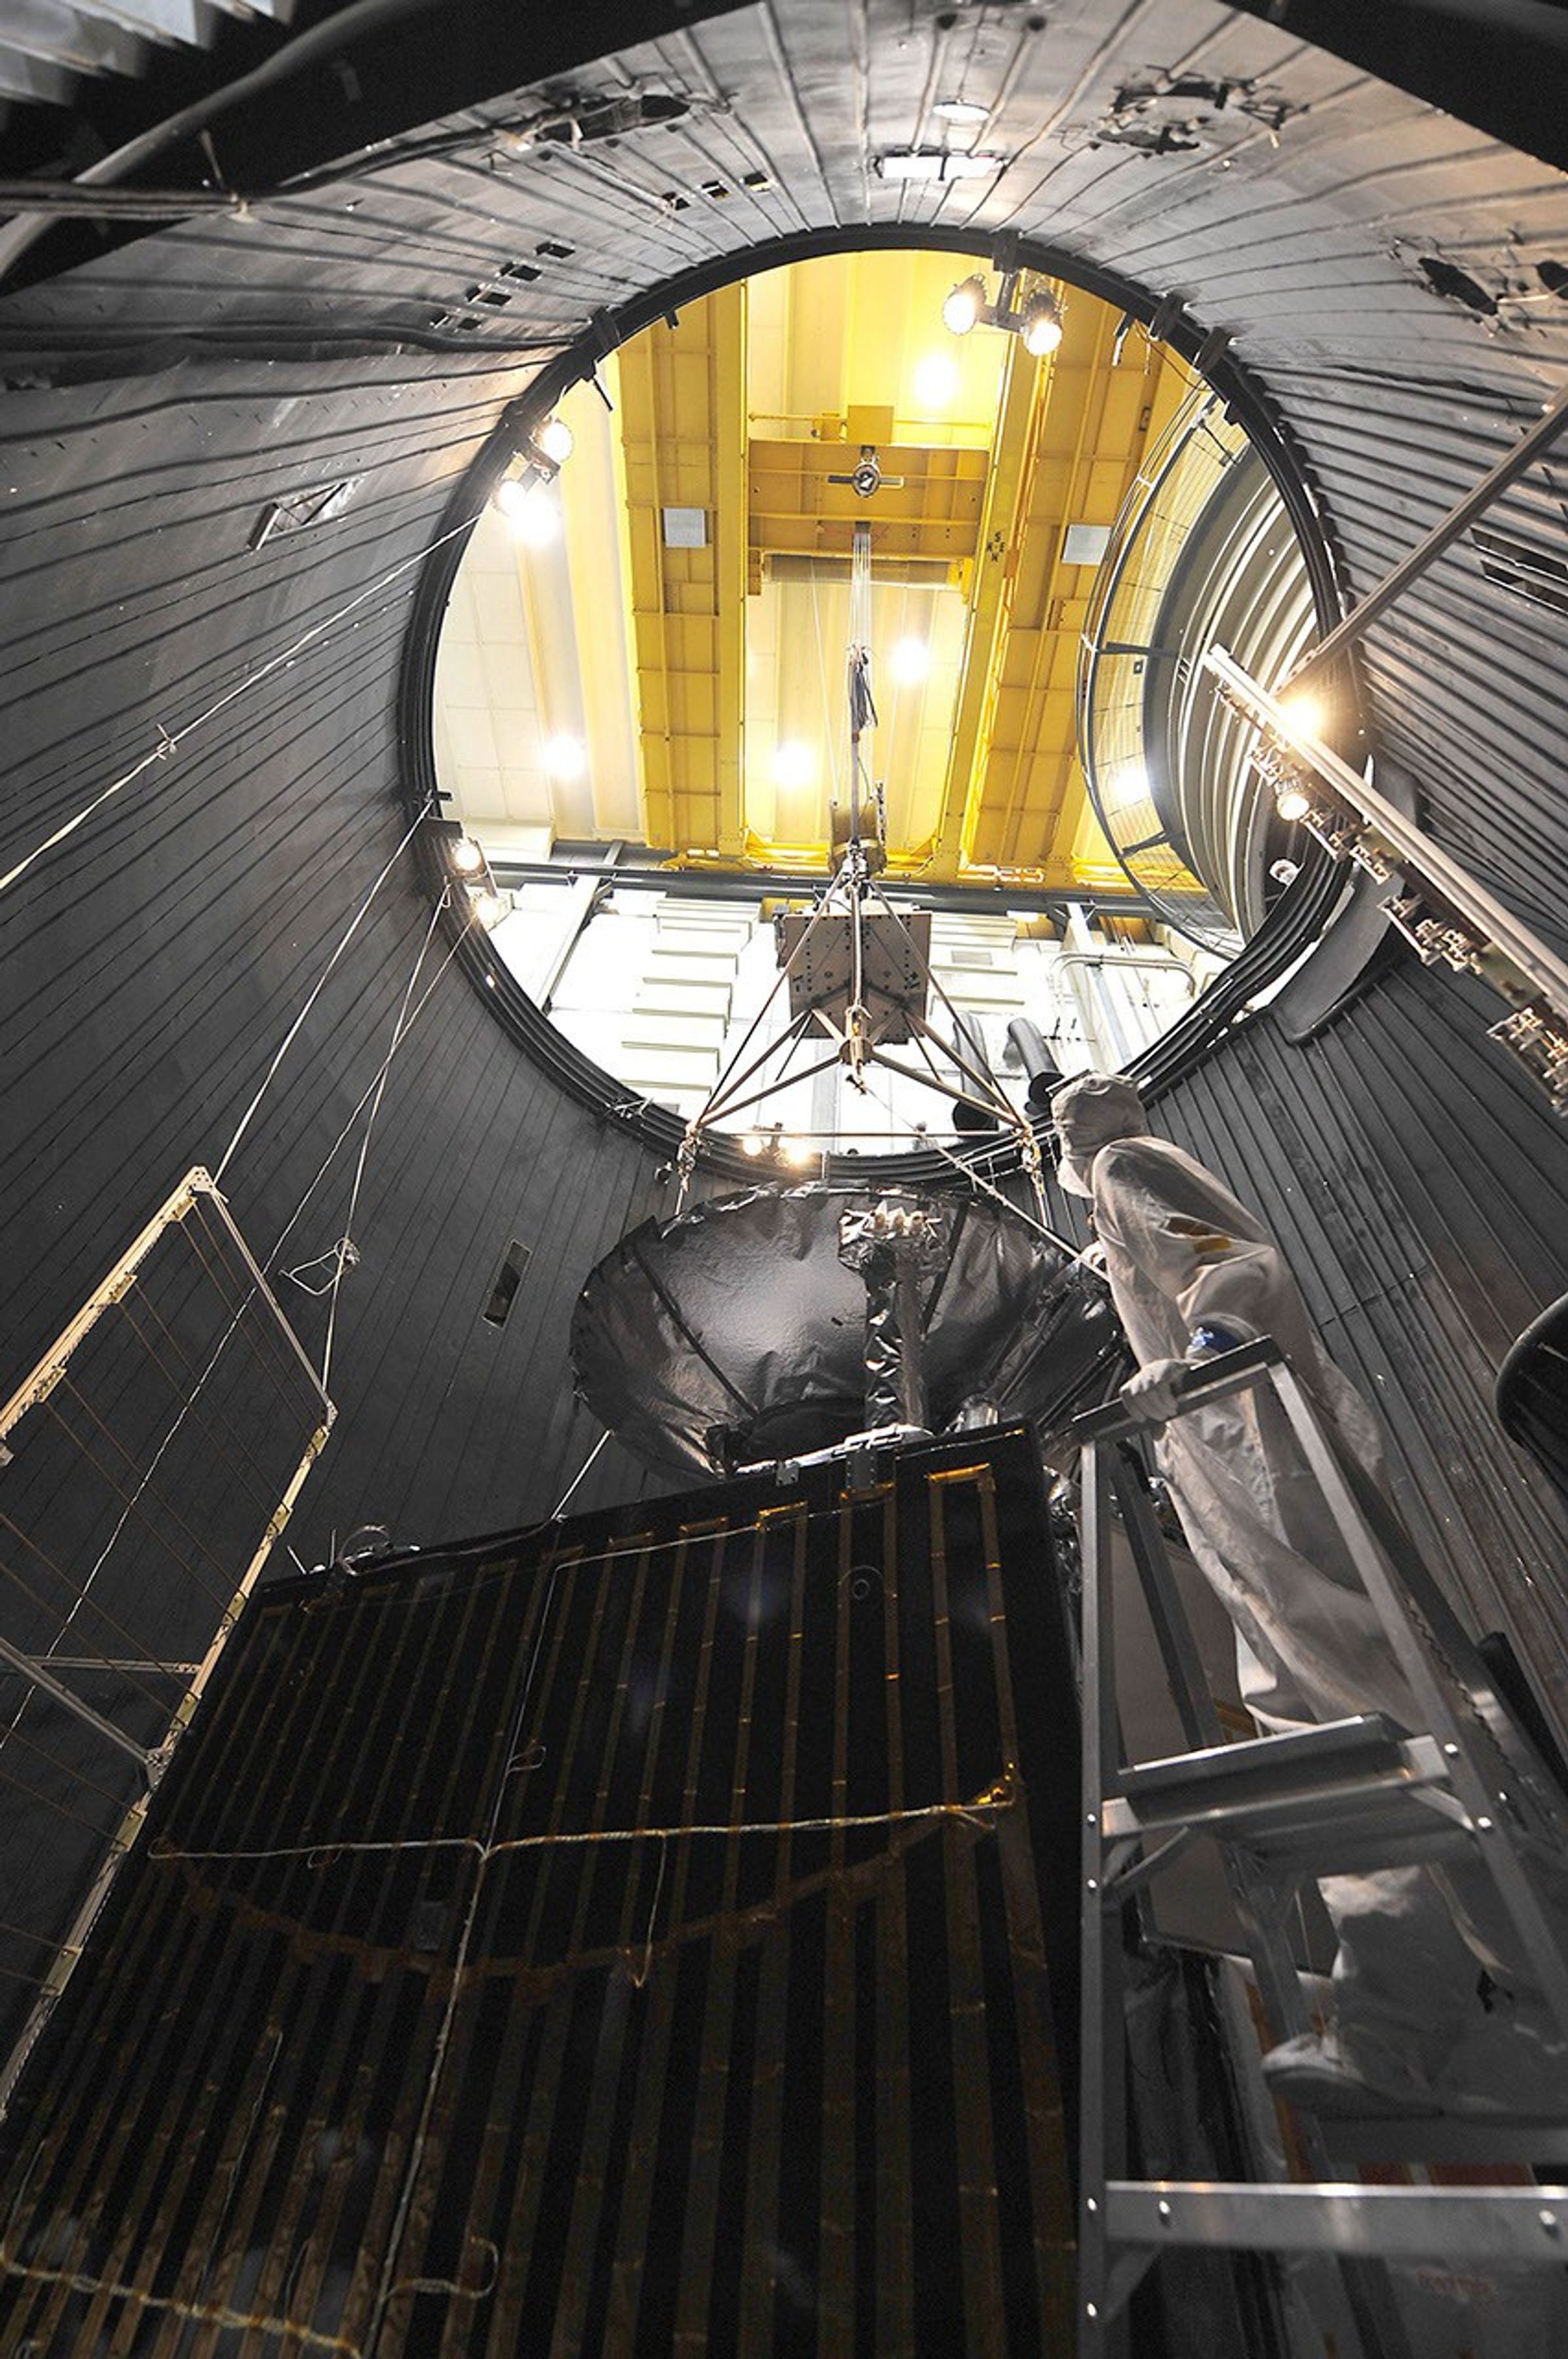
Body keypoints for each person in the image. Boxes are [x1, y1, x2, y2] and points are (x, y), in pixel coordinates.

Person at [1053, 1068, 1568, 2119]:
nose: (1061, 1135)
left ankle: (1545, 1994)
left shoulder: (1122, 1166)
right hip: (1223, 1464)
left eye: (1067, 1118)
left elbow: (1233, 1259)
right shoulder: (1109, 1220)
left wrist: (1202, 1346)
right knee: (1320, 1728)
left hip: (1261, 1445)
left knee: (1396, 1700)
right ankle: (1398, 2022)